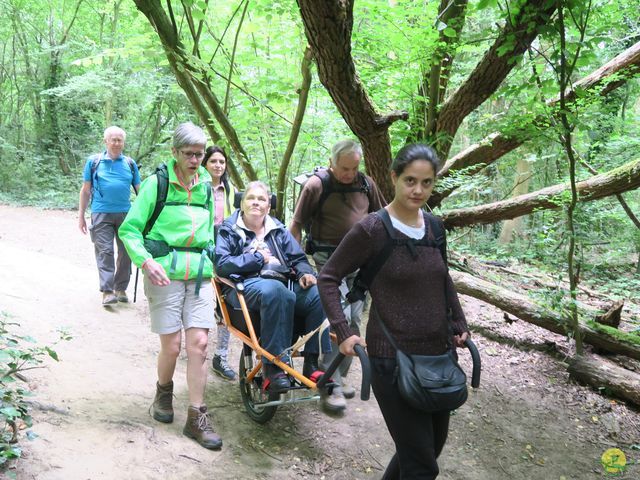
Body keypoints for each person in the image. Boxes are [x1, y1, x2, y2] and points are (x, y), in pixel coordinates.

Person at [317, 143, 470, 479]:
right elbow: (328, 277)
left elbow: (442, 278)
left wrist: (458, 321)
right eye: (410, 181)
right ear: (394, 178)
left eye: (426, 183)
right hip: (391, 359)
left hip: (438, 357)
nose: (418, 190)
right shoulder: (372, 229)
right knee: (421, 466)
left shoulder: (435, 228)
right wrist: (344, 332)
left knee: (424, 452)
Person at [119, 122, 222, 450]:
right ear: (174, 152)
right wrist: (146, 262)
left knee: (200, 344)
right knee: (172, 346)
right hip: (163, 273)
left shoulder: (207, 186)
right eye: (189, 154)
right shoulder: (156, 185)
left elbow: (211, 232)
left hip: (199, 276)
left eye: (200, 153)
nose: (195, 160)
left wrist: (215, 265)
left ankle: (197, 416)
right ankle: (164, 392)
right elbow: (129, 230)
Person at [289, 139, 385, 412]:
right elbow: (295, 225)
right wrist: (297, 265)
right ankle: (331, 381)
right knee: (336, 318)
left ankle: (340, 373)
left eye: (354, 168)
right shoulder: (317, 185)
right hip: (328, 261)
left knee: (354, 318)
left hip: (361, 261)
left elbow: (381, 217)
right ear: (332, 162)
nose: (349, 174)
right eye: (344, 168)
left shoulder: (366, 184)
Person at [215, 181, 331, 392]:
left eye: (262, 199)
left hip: (283, 284)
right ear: (242, 203)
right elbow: (222, 265)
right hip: (244, 286)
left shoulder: (278, 230)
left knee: (320, 294)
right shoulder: (229, 230)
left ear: (269, 206)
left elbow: (298, 258)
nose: (256, 203)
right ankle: (274, 368)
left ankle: (312, 363)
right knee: (278, 292)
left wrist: (305, 273)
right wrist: (256, 258)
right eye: (251, 198)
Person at [78, 126, 141, 306]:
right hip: (101, 213)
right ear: (106, 141)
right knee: (105, 251)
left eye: (119, 140)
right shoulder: (94, 162)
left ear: (123, 143)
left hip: (126, 215)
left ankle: (120, 288)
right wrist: (81, 216)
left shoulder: (130, 163)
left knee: (126, 252)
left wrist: (145, 217)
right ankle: (107, 291)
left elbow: (140, 191)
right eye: (113, 139)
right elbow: (85, 190)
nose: (116, 143)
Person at [202, 146, 237, 381]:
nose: (218, 165)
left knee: (224, 304)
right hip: (200, 250)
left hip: (225, 250)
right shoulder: (197, 187)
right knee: (198, 299)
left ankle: (220, 356)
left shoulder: (232, 191)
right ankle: (195, 349)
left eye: (222, 161)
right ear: (205, 163)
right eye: (213, 161)